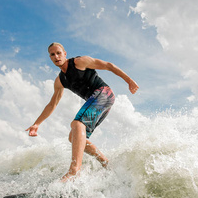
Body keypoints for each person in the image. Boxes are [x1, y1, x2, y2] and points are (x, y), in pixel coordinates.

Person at [26, 42, 139, 181]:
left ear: (65, 53)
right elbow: (52, 104)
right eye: (52, 54)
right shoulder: (60, 81)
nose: (56, 56)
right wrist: (37, 124)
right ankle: (106, 163)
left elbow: (108, 65)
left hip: (104, 93)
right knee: (73, 137)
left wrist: (129, 81)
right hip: (98, 101)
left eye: (58, 53)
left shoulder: (80, 62)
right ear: (50, 57)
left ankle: (74, 171)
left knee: (77, 124)